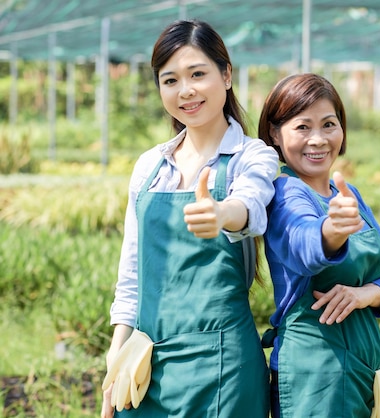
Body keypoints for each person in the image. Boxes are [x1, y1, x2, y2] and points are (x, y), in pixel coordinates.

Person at [101, 19, 278, 418]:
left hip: (222, 366)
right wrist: (117, 355)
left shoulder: (253, 156)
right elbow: (131, 273)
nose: (186, 91)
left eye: (198, 74)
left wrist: (220, 213)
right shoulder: (150, 165)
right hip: (146, 361)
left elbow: (250, 205)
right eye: (170, 80)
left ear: (226, 75)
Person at [257, 73, 380, 418]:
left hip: (361, 364)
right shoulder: (285, 193)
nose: (318, 139)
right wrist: (332, 231)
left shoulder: (348, 195)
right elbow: (304, 246)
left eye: (328, 124)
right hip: (316, 371)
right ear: (276, 134)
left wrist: (365, 295)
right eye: (302, 127)